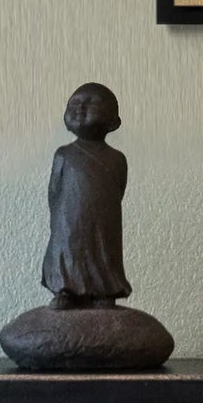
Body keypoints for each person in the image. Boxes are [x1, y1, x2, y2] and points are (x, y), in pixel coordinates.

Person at [41, 82, 132, 307]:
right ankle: (64, 290)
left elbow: (118, 190)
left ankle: (103, 292)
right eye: (75, 103)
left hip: (103, 222)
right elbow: (54, 193)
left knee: (104, 252)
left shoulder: (116, 159)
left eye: (92, 104)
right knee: (66, 251)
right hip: (68, 222)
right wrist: (61, 220)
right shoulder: (64, 155)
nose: (80, 108)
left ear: (114, 122)